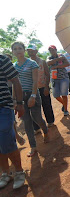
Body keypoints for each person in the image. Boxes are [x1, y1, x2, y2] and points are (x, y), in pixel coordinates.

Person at [12, 42, 49, 157]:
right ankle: (33, 147)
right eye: (15, 49)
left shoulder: (32, 63)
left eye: (20, 48)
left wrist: (33, 96)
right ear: (13, 52)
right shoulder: (13, 66)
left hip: (32, 94)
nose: (18, 51)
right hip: (20, 97)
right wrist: (14, 100)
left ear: (24, 50)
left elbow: (35, 81)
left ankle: (46, 131)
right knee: (27, 122)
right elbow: (14, 84)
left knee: (37, 118)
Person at [0, 54, 26, 189]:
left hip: (3, 106)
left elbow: (16, 81)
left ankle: (19, 172)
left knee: (8, 142)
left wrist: (20, 103)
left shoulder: (2, 60)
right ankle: (5, 173)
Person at [27, 45, 55, 130]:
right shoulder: (26, 63)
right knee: (33, 109)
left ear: (36, 51)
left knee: (46, 105)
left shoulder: (42, 61)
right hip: (32, 90)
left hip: (42, 87)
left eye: (32, 50)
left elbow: (47, 74)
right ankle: (36, 128)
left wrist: (46, 87)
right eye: (28, 51)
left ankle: (50, 122)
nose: (30, 52)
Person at [47, 45, 70, 116]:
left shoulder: (61, 55)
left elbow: (67, 64)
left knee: (64, 94)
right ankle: (64, 104)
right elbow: (48, 63)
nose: (52, 51)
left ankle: (65, 110)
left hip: (63, 78)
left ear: (56, 50)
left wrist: (56, 66)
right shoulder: (49, 57)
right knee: (56, 95)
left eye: (53, 50)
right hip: (54, 79)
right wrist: (58, 59)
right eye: (50, 50)